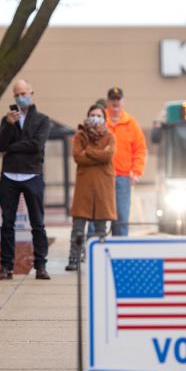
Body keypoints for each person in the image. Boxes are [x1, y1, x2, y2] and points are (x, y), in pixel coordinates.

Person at [0, 79, 51, 281]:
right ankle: (6, 266)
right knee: (7, 223)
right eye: (16, 94)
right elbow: (0, 145)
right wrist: (9, 127)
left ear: (32, 93)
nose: (20, 97)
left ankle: (41, 266)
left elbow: (36, 145)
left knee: (38, 223)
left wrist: (12, 147)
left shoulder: (42, 120)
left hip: (32, 175)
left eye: (23, 93)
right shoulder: (7, 119)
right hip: (9, 176)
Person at [66, 105, 116, 271]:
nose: (95, 118)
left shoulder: (110, 136)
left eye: (99, 115)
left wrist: (89, 151)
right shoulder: (80, 136)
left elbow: (108, 155)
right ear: (87, 116)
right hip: (84, 187)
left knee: (101, 229)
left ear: (104, 118)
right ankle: (74, 258)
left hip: (103, 187)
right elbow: (78, 158)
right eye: (92, 115)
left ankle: (101, 258)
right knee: (78, 227)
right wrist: (98, 154)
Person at [105, 87, 147, 236]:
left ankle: (119, 249)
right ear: (108, 101)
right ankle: (96, 250)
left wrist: (136, 172)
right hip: (102, 176)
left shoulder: (131, 123)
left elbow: (140, 149)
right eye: (112, 99)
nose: (115, 102)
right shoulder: (101, 120)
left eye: (118, 99)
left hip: (123, 178)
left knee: (121, 217)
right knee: (99, 217)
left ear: (123, 102)